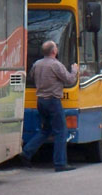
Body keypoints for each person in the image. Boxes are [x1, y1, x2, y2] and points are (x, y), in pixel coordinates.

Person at [20, 40, 79, 172]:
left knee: (46, 130)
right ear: (54, 51)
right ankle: (60, 163)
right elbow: (69, 80)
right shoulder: (56, 65)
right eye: (56, 47)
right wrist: (74, 71)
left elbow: (31, 76)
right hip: (53, 101)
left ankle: (26, 152)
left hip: (40, 101)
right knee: (61, 132)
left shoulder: (37, 64)